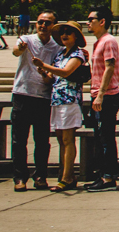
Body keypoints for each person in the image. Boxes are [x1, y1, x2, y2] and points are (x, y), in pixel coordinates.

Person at [32, 20, 89, 192]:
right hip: (57, 100)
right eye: (62, 32)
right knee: (61, 140)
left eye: (68, 32)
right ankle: (66, 174)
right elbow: (51, 79)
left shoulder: (78, 54)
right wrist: (44, 73)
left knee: (67, 139)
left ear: (76, 36)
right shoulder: (60, 54)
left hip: (70, 100)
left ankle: (67, 177)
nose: (64, 35)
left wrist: (44, 65)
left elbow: (66, 72)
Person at [10, 10, 61, 192]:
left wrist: (46, 75)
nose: (43, 26)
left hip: (43, 97)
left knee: (42, 140)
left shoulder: (57, 47)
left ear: (54, 25)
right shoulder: (27, 39)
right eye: (40, 22)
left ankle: (40, 176)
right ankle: (19, 177)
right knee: (19, 140)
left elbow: (53, 77)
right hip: (22, 94)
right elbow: (16, 51)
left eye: (47, 23)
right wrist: (21, 48)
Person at [84, 6, 119, 191]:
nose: (88, 23)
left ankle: (108, 178)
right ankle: (102, 175)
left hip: (107, 96)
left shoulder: (108, 41)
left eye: (91, 19)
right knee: (100, 138)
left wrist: (100, 94)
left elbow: (110, 67)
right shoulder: (98, 42)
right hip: (99, 95)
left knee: (105, 138)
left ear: (102, 21)